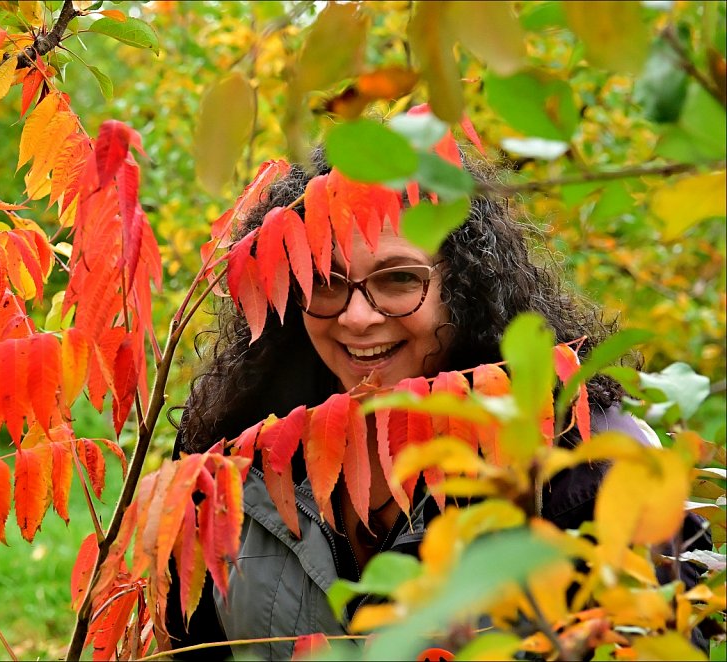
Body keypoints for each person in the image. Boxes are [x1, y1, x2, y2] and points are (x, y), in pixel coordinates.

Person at [166, 148, 712, 660]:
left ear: (467, 285)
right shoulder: (235, 453)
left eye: (399, 278)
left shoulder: (588, 464)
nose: (356, 318)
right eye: (325, 281)